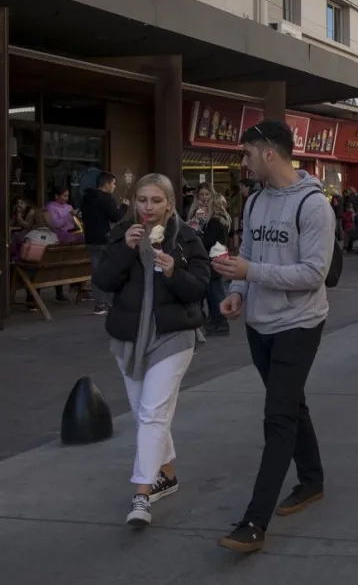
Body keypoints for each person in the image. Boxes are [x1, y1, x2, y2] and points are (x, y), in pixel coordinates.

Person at [214, 120, 336, 553]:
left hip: (300, 324)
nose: (244, 162)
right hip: (259, 324)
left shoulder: (314, 206)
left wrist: (252, 273)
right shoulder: (255, 201)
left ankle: (254, 522)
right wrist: (237, 289)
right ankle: (312, 479)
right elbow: (248, 253)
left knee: (278, 416)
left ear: (268, 153)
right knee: (291, 403)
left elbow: (313, 274)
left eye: (247, 153)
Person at [92, 173, 210, 527]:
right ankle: (167, 475)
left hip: (173, 335)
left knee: (152, 412)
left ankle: (141, 494)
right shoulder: (121, 234)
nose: (148, 207)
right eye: (142, 200)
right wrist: (125, 251)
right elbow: (103, 282)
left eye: (156, 200)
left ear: (170, 203)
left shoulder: (186, 238)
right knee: (144, 413)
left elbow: (200, 289)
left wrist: (174, 272)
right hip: (129, 337)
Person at [81, 171, 130, 315]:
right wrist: (124, 206)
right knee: (108, 271)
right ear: (107, 183)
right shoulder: (106, 199)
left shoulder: (86, 198)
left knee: (97, 270)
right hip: (104, 238)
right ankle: (107, 302)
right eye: (113, 184)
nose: (114, 187)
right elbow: (116, 216)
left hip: (90, 238)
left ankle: (100, 304)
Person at [201, 194, 232, 336]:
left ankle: (220, 321)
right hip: (220, 256)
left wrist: (199, 234)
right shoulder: (225, 219)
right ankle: (216, 319)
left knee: (214, 292)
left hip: (212, 257)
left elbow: (207, 240)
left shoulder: (215, 221)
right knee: (215, 289)